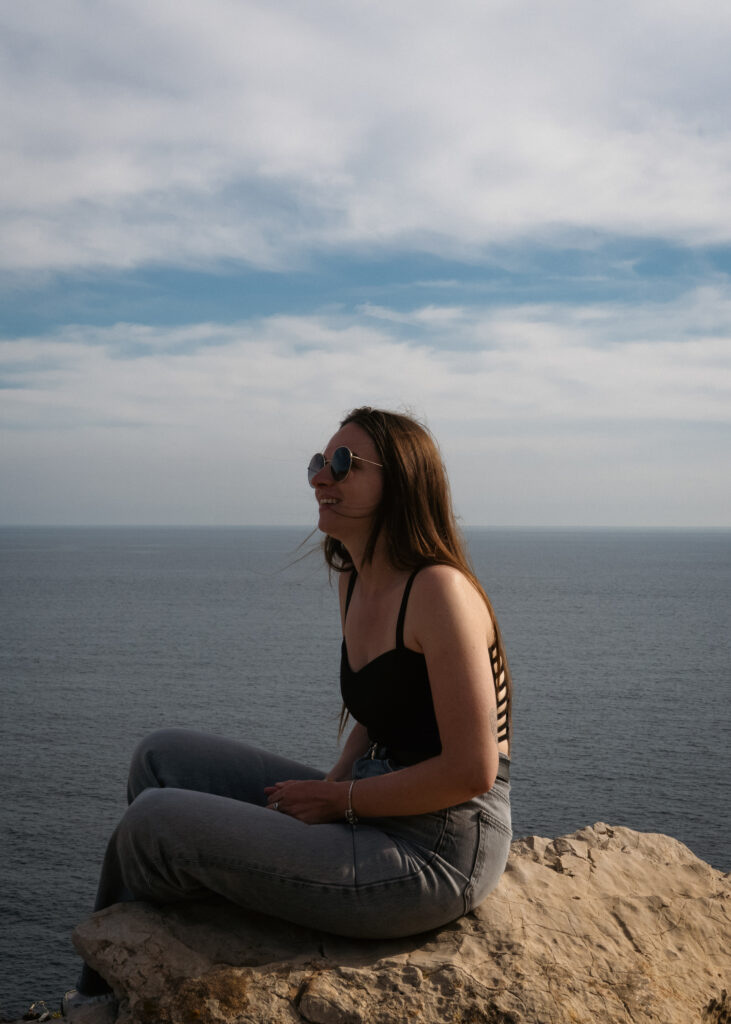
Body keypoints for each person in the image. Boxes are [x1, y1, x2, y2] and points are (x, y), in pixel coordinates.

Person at [63, 407, 513, 1023]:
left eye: (342, 464)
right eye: (317, 462)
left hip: (437, 852)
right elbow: (389, 707)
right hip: (376, 801)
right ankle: (237, 884)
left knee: (155, 821)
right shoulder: (356, 579)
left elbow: (472, 770)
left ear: (401, 482)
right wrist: (336, 782)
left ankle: (95, 1002)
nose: (319, 478)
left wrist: (342, 806)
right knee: (158, 759)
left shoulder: (438, 592)